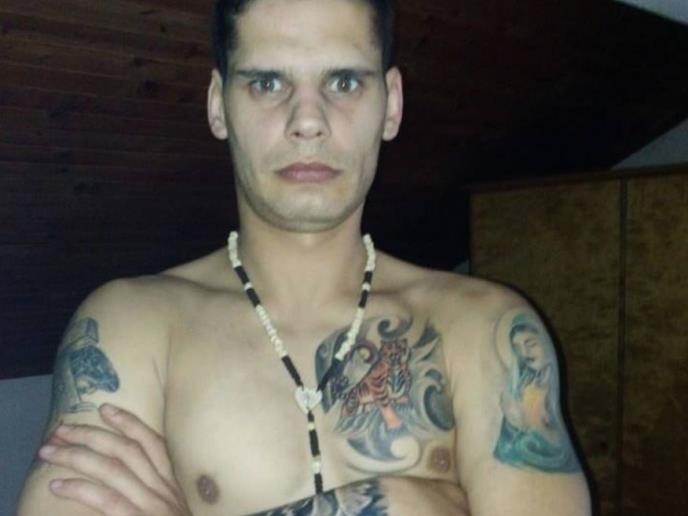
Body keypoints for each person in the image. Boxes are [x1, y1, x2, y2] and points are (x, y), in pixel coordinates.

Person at [17, 0, 592, 514]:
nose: (308, 122)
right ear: (219, 106)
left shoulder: (486, 327)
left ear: (391, 104)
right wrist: (404, 502)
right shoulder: (130, 324)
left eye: (344, 81)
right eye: (268, 83)